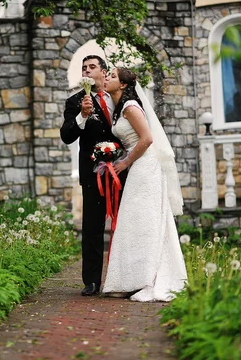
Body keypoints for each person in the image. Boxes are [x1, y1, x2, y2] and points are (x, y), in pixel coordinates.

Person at [101, 67, 187, 302]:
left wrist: (126, 161)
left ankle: (147, 278)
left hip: (145, 167)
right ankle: (130, 279)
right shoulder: (120, 108)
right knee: (134, 220)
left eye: (112, 76)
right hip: (138, 165)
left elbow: (147, 138)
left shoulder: (130, 107)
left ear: (123, 85)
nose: (106, 78)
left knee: (143, 220)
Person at [60, 55, 127, 296]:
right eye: (83, 68)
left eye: (92, 67)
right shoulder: (76, 101)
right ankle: (92, 281)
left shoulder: (118, 95)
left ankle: (126, 277)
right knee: (92, 227)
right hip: (93, 173)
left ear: (104, 71)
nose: (87, 70)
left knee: (125, 223)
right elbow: (67, 136)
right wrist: (82, 116)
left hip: (124, 170)